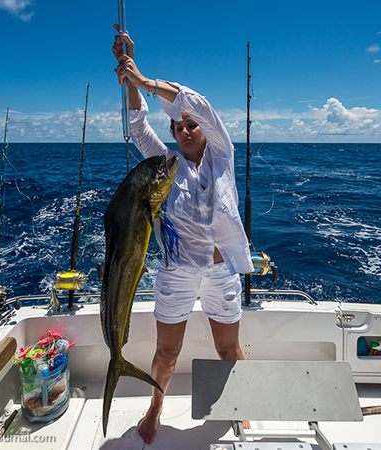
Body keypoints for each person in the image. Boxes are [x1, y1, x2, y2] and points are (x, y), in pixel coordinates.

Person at [112, 28, 254, 444]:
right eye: (178, 128)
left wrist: (144, 79)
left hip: (221, 271)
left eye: (191, 125)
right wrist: (128, 80)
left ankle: (241, 402)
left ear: (205, 129)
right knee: (166, 353)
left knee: (229, 350)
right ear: (172, 135)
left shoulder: (223, 154)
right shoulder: (163, 165)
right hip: (175, 273)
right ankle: (154, 408)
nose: (186, 130)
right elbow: (139, 127)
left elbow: (199, 104)